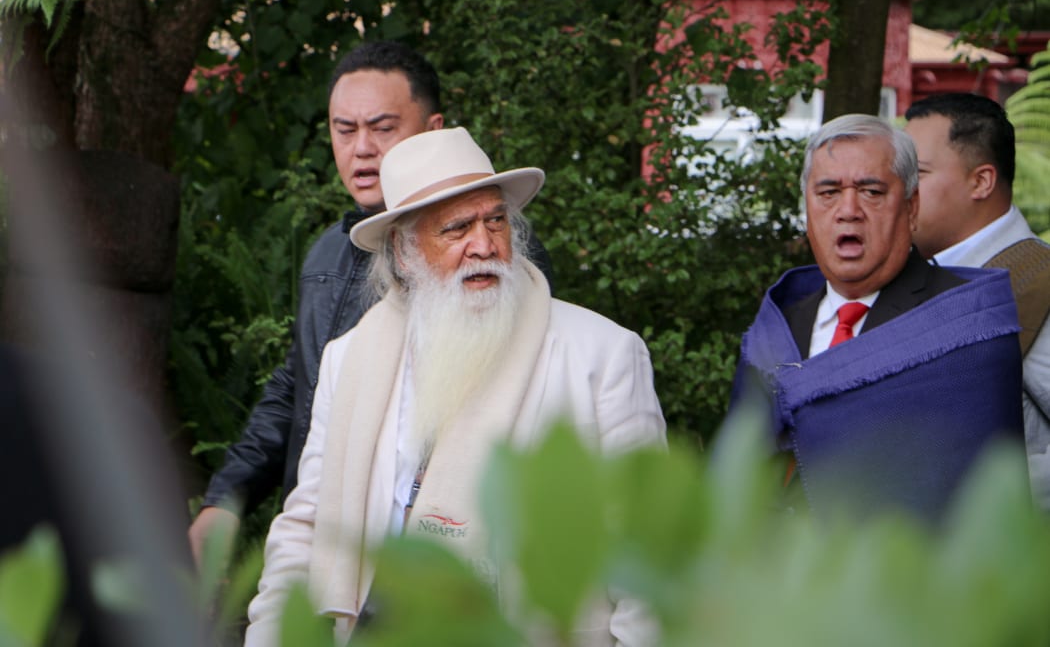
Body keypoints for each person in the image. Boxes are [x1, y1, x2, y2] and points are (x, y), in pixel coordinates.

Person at [243, 127, 667, 645]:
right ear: (404, 251)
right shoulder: (347, 358)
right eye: (456, 228)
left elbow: (649, 551)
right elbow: (307, 525)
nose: (484, 245)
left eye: (496, 221)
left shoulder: (603, 354)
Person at [187, 42, 554, 562]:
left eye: (382, 128)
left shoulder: (493, 259)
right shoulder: (328, 252)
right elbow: (299, 381)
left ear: (433, 129)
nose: (361, 148)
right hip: (326, 541)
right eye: (344, 129)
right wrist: (228, 496)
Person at [731, 113, 1023, 521]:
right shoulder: (775, 326)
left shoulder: (963, 323)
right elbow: (740, 477)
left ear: (911, 207)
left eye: (871, 191)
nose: (848, 210)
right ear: (807, 209)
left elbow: (981, 506)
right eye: (828, 192)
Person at [904, 92, 1050, 509]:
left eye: (918, 173)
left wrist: (984, 499)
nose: (899, 190)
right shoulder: (927, 277)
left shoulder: (1036, 283)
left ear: (981, 181)